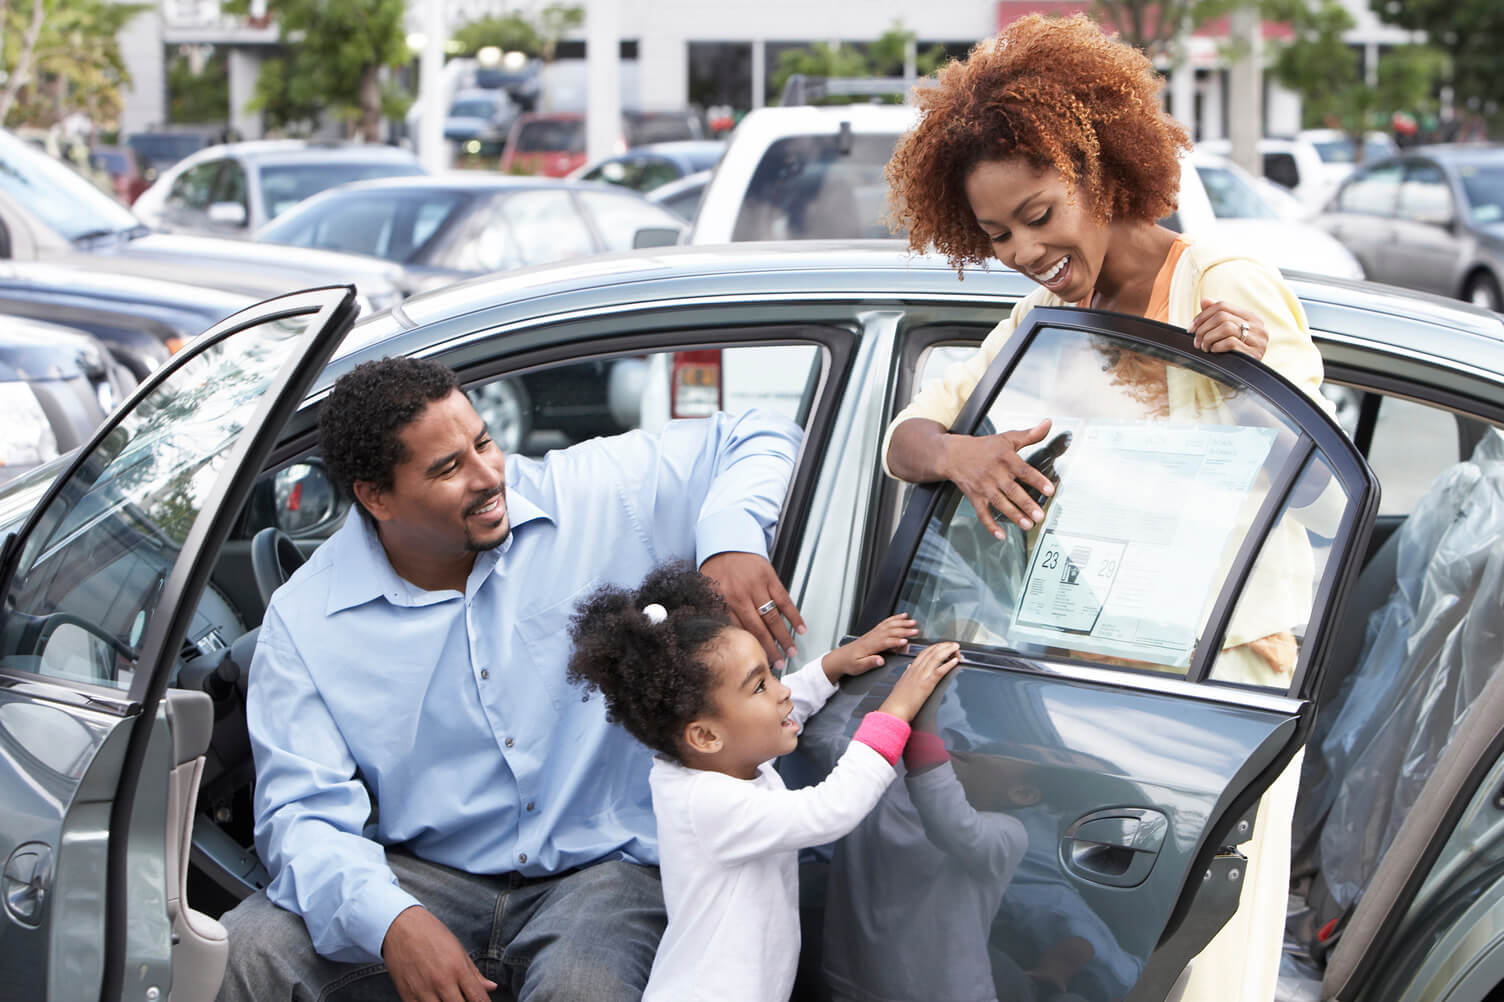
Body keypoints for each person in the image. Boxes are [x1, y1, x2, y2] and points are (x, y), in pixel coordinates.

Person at [879, 14, 1332, 1002]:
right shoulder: (1045, 321)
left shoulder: (1220, 282)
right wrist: (958, 456)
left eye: (1038, 214)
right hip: (1099, 686)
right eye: (995, 234)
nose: (1022, 249)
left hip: (1218, 692)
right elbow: (907, 439)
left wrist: (1253, 373)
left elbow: (1311, 474)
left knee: (1209, 969)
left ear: (1097, 169)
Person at [216, 356, 805, 1002]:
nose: (488, 475)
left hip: (602, 872)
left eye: (483, 442)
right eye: (447, 468)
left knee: (584, 989)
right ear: (375, 497)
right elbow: (302, 817)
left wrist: (730, 542)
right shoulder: (304, 623)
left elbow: (759, 432)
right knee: (248, 950)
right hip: (427, 875)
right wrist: (392, 921)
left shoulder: (595, 493)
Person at [565, 561, 962, 1002]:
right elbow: (830, 810)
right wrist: (896, 711)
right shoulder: (709, 803)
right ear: (706, 735)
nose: (782, 691)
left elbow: (779, 708)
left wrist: (832, 666)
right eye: (759, 686)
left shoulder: (719, 762)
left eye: (770, 676)